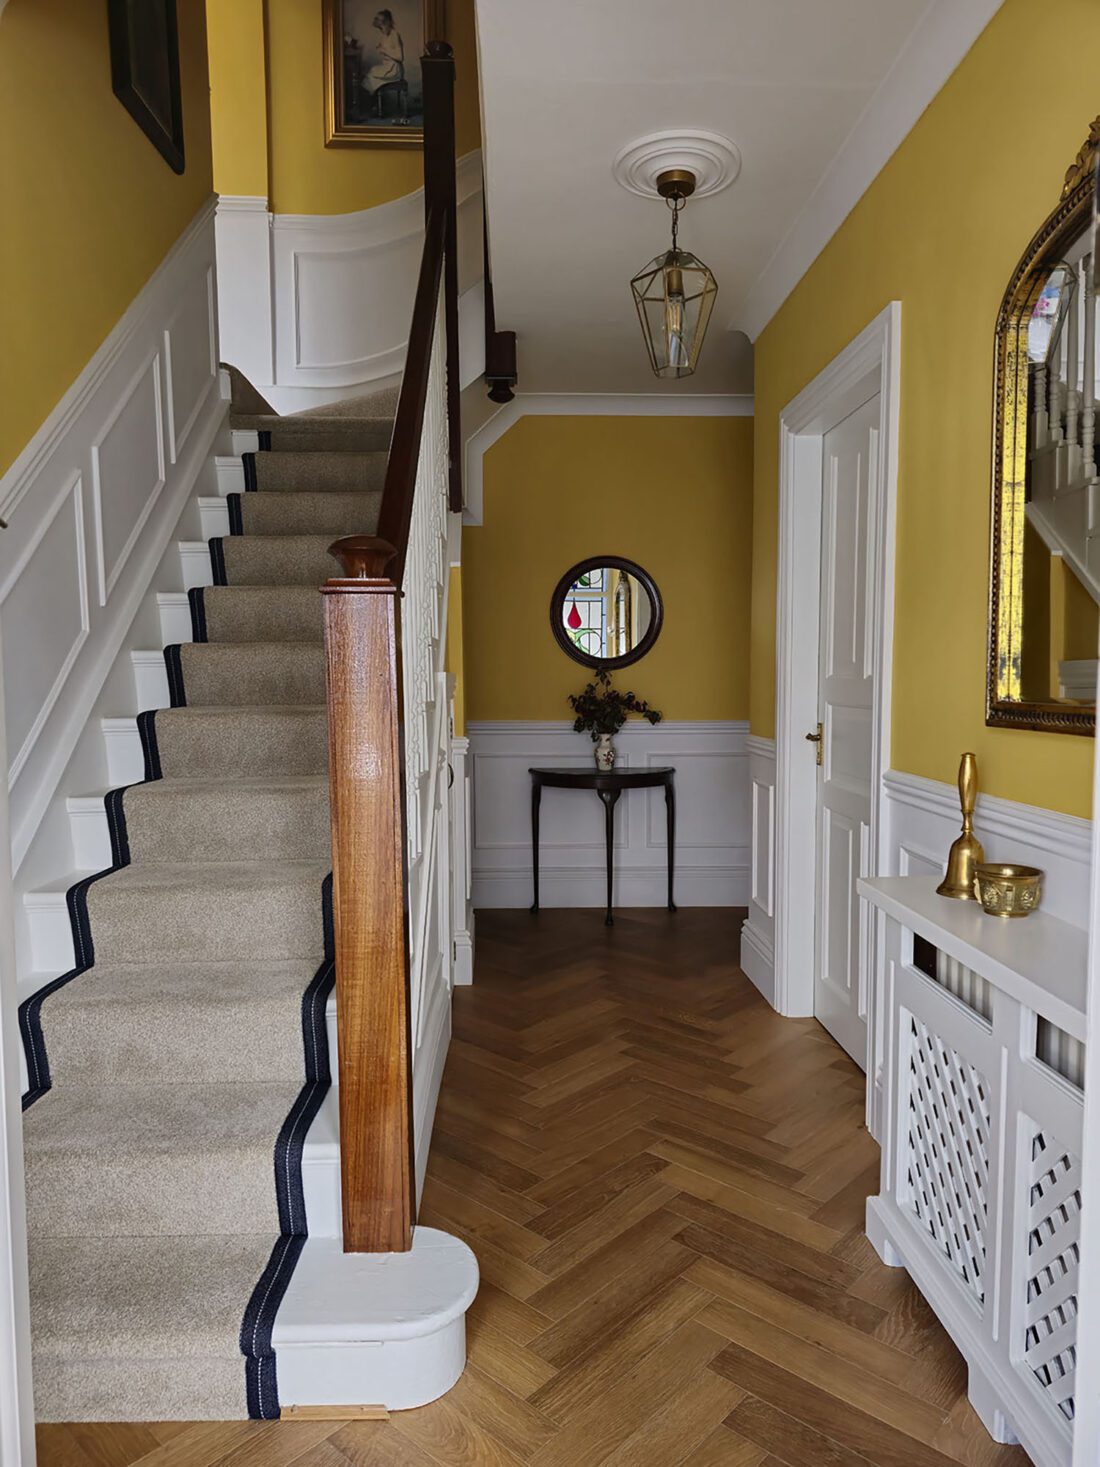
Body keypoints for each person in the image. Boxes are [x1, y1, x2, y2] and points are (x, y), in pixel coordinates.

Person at [365, 9, 405, 109]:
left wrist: (384, 50)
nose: (376, 21)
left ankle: (373, 105)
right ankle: (374, 105)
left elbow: (400, 57)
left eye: (378, 19)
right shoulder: (383, 36)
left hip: (394, 69)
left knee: (371, 75)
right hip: (387, 67)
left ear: (385, 21)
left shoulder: (395, 34)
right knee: (370, 74)